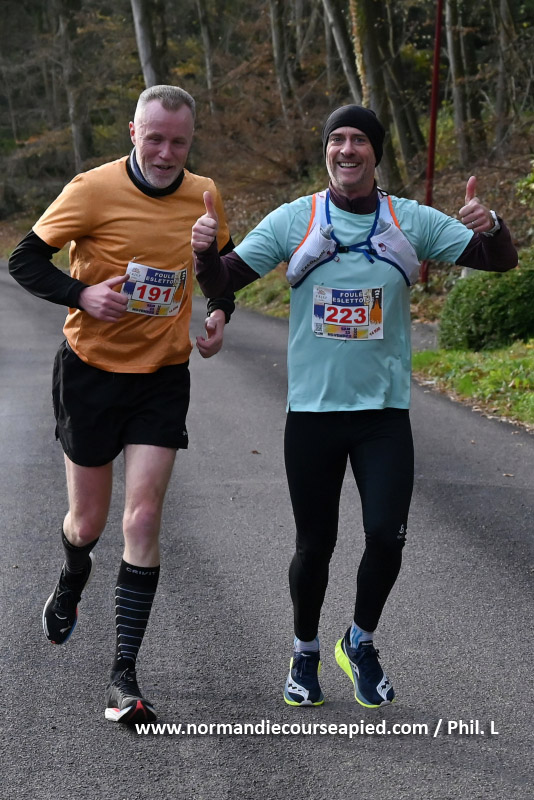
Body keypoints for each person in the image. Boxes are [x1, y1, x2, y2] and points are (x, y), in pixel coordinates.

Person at [191, 104, 518, 708]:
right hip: (313, 415)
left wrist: (492, 224)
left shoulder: (409, 219)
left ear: (376, 152)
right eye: (336, 139)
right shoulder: (296, 218)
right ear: (326, 151)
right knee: (315, 545)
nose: (347, 149)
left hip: (383, 416)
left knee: (387, 538)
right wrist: (207, 252)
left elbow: (499, 260)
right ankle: (305, 651)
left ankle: (359, 641)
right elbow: (221, 282)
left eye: (359, 140)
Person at [9, 85, 235, 724]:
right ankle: (71, 576)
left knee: (143, 518)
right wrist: (82, 295)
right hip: (90, 374)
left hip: (161, 376)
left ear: (190, 142)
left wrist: (219, 310)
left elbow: (220, 272)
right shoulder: (91, 190)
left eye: (179, 142)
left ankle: (123, 676)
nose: (166, 153)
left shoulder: (205, 196)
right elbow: (24, 260)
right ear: (133, 133)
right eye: (155, 138)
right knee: (88, 522)